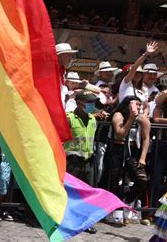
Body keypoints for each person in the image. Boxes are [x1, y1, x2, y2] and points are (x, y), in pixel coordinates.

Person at [118, 41, 158, 175]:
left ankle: (143, 158)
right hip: (124, 116)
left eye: (141, 73)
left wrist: (145, 113)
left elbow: (146, 105)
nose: (138, 74)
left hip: (138, 124)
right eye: (136, 73)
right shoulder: (126, 84)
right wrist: (146, 54)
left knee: (139, 177)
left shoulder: (143, 90)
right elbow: (134, 67)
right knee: (116, 173)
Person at [107, 96, 148, 223]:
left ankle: (127, 200)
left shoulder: (142, 118)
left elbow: (146, 138)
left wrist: (142, 157)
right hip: (117, 150)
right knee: (114, 180)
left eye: (139, 105)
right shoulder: (119, 115)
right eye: (135, 104)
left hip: (133, 152)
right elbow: (120, 134)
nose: (138, 107)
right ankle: (114, 210)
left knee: (142, 179)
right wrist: (130, 117)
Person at [63, 90, 99, 234]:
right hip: (72, 161)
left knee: (86, 194)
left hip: (88, 161)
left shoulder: (93, 120)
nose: (92, 105)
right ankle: (67, 221)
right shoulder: (69, 118)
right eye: (89, 102)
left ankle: (85, 222)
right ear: (79, 103)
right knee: (68, 193)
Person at [151, 89, 167, 207]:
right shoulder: (159, 108)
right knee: (156, 177)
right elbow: (156, 119)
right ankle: (152, 207)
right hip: (160, 144)